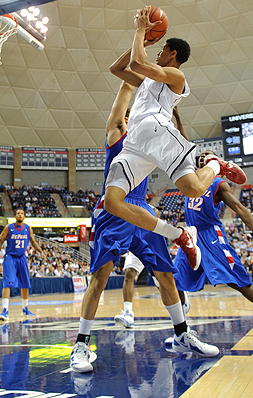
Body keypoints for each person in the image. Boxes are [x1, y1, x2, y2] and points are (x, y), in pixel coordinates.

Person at [70, 81, 218, 374]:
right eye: (128, 118)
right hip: (116, 208)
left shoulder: (147, 140)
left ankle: (181, 335)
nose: (131, 120)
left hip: (142, 208)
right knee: (99, 278)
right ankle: (81, 345)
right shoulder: (117, 134)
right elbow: (124, 94)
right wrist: (133, 74)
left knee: (165, 274)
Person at [105, 5, 247, 270]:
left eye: (161, 49)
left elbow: (138, 63)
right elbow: (117, 68)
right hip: (135, 143)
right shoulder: (148, 80)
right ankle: (178, 234)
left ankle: (215, 164)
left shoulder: (176, 76)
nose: (157, 52)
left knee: (193, 188)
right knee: (112, 202)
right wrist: (143, 40)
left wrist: (139, 31)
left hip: (157, 131)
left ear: (173, 54)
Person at [172, 151, 253, 349]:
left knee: (237, 281)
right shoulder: (190, 180)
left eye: (208, 154)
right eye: (201, 154)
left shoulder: (218, 183)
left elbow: (238, 208)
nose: (203, 156)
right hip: (192, 235)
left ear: (216, 163)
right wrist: (176, 118)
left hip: (212, 235)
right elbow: (184, 146)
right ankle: (182, 333)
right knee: (174, 279)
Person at [0, 209, 46, 321]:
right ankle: (5, 310)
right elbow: (0, 241)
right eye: (18, 213)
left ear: (24, 216)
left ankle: (25, 307)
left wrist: (41, 251)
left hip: (22, 257)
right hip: (10, 257)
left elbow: (33, 242)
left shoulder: (28, 228)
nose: (20, 215)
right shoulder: (8, 227)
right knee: (8, 283)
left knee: (25, 283)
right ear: (15, 216)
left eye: (22, 213)